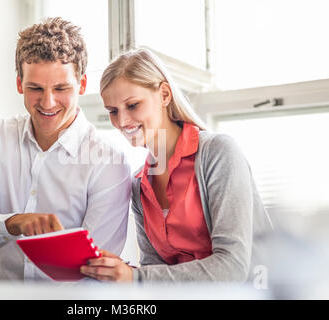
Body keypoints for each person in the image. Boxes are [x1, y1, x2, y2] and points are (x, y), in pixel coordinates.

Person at [0, 17, 131, 282]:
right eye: (35, 88)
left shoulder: (109, 160)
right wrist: (13, 223)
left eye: (61, 88)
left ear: (82, 84)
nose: (48, 102)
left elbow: (95, 269)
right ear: (20, 84)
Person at [80, 48, 273, 282]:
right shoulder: (139, 185)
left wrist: (137, 279)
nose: (121, 121)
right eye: (113, 111)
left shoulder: (218, 153)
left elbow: (232, 267)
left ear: (164, 95)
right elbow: (155, 268)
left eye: (132, 105)